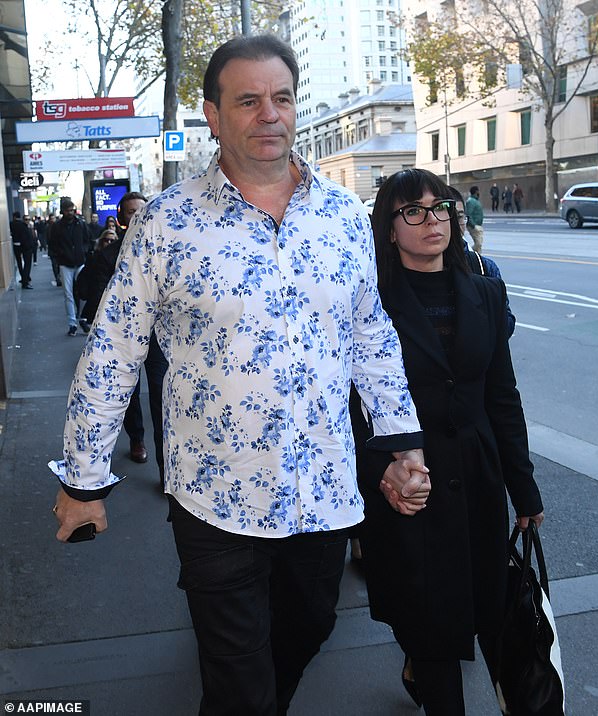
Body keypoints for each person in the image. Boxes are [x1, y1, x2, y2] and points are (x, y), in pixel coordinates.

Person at [51, 34, 430, 716]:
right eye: (248, 100)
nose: (270, 115)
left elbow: (370, 337)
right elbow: (112, 350)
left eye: (281, 98)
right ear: (213, 115)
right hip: (214, 497)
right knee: (236, 678)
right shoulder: (166, 223)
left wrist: (403, 447)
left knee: (309, 628)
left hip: (324, 492)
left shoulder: (344, 216)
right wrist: (84, 479)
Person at [351, 168, 544, 715]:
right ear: (389, 228)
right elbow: (350, 405)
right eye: (413, 211)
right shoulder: (369, 304)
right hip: (407, 485)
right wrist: (378, 468)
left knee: (483, 609)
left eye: (441, 209)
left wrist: (523, 491)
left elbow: (501, 397)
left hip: (477, 481)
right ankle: (426, 669)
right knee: (429, 619)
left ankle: (421, 663)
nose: (431, 221)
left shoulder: (485, 293)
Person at [76, 192, 161, 467]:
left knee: (162, 395)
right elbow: (103, 298)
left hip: (160, 337)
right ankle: (136, 439)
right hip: (124, 337)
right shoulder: (108, 255)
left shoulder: (165, 248)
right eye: (130, 212)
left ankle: (166, 463)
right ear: (121, 218)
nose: (136, 215)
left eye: (141, 210)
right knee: (131, 392)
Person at [447, 185, 515, 337]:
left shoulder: (485, 267)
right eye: (447, 216)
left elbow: (507, 325)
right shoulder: (420, 269)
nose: (453, 224)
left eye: (459, 217)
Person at [47, 199, 92, 336]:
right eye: (67, 210)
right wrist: (59, 256)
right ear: (63, 211)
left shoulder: (80, 224)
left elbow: (87, 240)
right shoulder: (57, 227)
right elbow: (52, 244)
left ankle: (83, 319)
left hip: (79, 261)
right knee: (69, 294)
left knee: (82, 292)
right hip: (66, 263)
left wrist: (83, 251)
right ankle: (72, 323)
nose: (70, 213)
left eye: (72, 210)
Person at [10, 211, 34, 289]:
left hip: (16, 245)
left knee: (19, 263)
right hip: (26, 247)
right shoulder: (23, 225)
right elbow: (26, 237)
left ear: (14, 217)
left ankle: (24, 278)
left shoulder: (11, 224)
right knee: (27, 264)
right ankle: (25, 280)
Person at [464, 185, 484, 253]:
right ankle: (470, 254)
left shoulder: (475, 200)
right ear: (476, 192)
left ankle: (477, 258)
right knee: (478, 244)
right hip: (474, 226)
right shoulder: (471, 201)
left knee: (479, 245)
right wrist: (474, 226)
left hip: (478, 225)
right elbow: (468, 214)